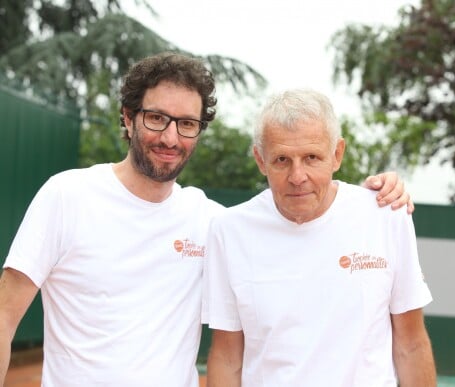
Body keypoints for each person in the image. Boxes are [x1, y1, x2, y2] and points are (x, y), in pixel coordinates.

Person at [0, 53, 413, 386]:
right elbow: (4, 314)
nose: (170, 137)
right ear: (128, 117)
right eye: (156, 118)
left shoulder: (214, 224)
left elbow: (303, 211)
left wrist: (382, 193)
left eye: (187, 124)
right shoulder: (67, 195)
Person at [203, 88, 436, 387]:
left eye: (311, 157)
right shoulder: (228, 230)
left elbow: (411, 344)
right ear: (261, 161)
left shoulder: (387, 215)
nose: (297, 176)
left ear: (337, 154)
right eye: (282, 160)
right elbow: (227, 356)